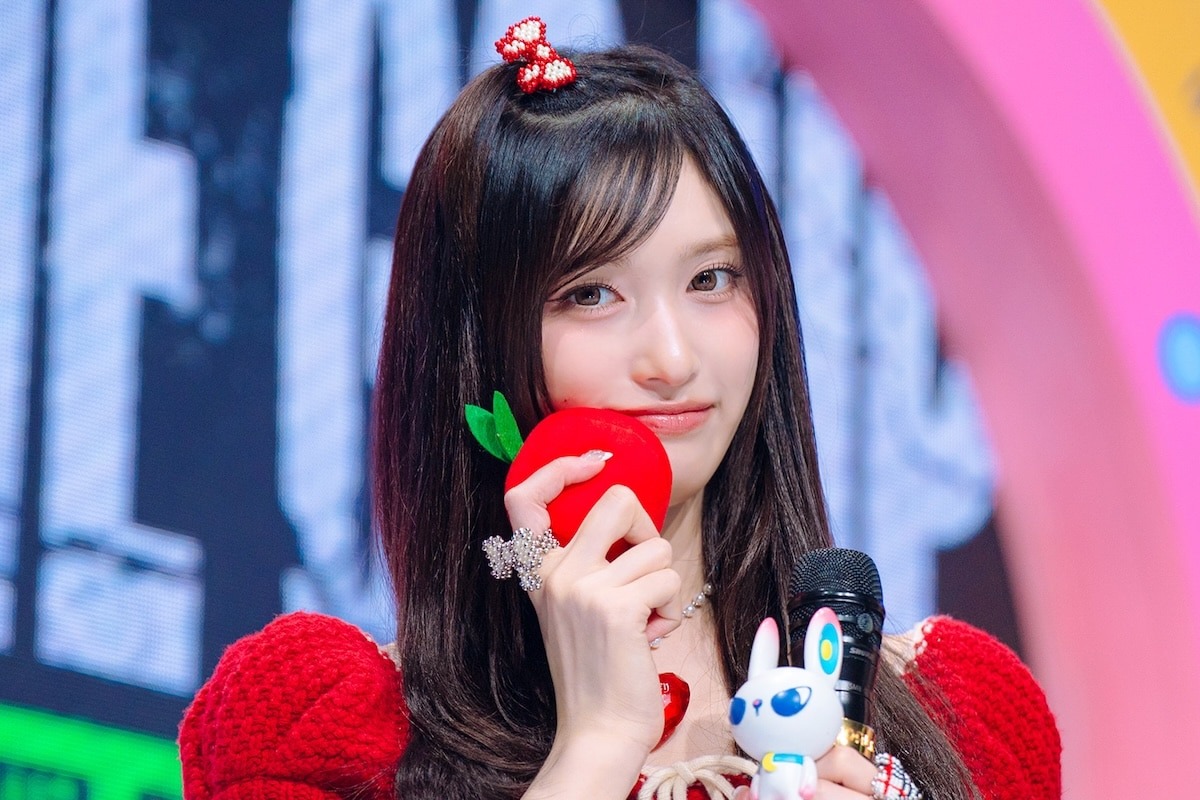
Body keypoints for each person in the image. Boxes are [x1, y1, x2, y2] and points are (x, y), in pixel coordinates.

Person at [179, 18, 1061, 800]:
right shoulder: (314, 729)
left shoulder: (958, 714)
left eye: (712, 279)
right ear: (474, 345)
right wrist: (594, 749)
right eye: (592, 294)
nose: (673, 360)